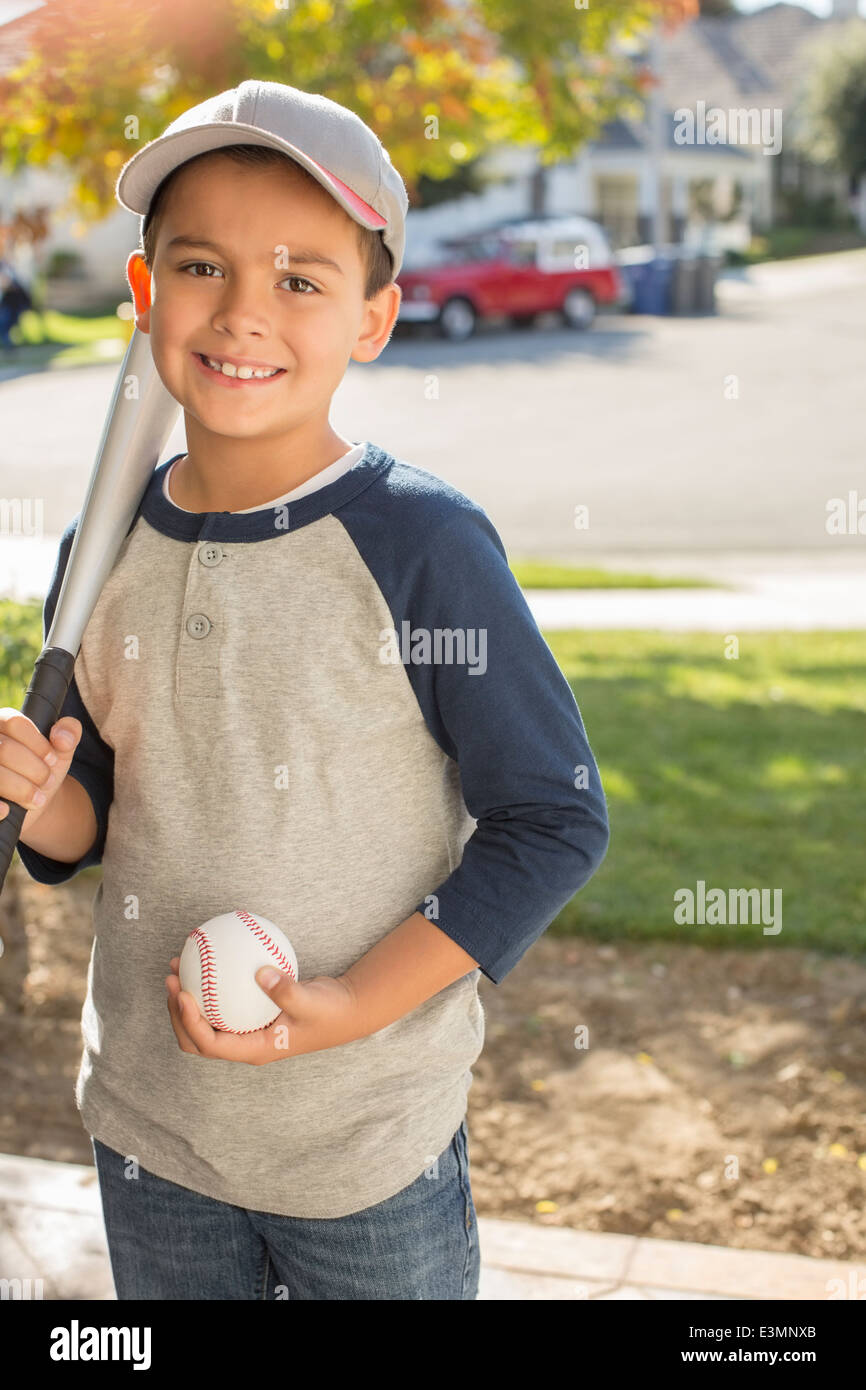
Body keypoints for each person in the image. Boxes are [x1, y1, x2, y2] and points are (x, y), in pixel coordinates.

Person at [4, 80, 610, 1300]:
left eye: (298, 280)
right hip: (151, 1128)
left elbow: (553, 816)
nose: (240, 315)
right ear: (144, 294)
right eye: (199, 268)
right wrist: (41, 791)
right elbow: (90, 822)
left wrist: (343, 1005)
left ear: (374, 317)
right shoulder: (102, 545)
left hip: (362, 1143)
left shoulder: (421, 546)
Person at [0, 259, 31, 349]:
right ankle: (9, 344)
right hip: (9, 305)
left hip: (14, 306)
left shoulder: (7, 270)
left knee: (4, 324)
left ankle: (9, 345)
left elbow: (9, 284)